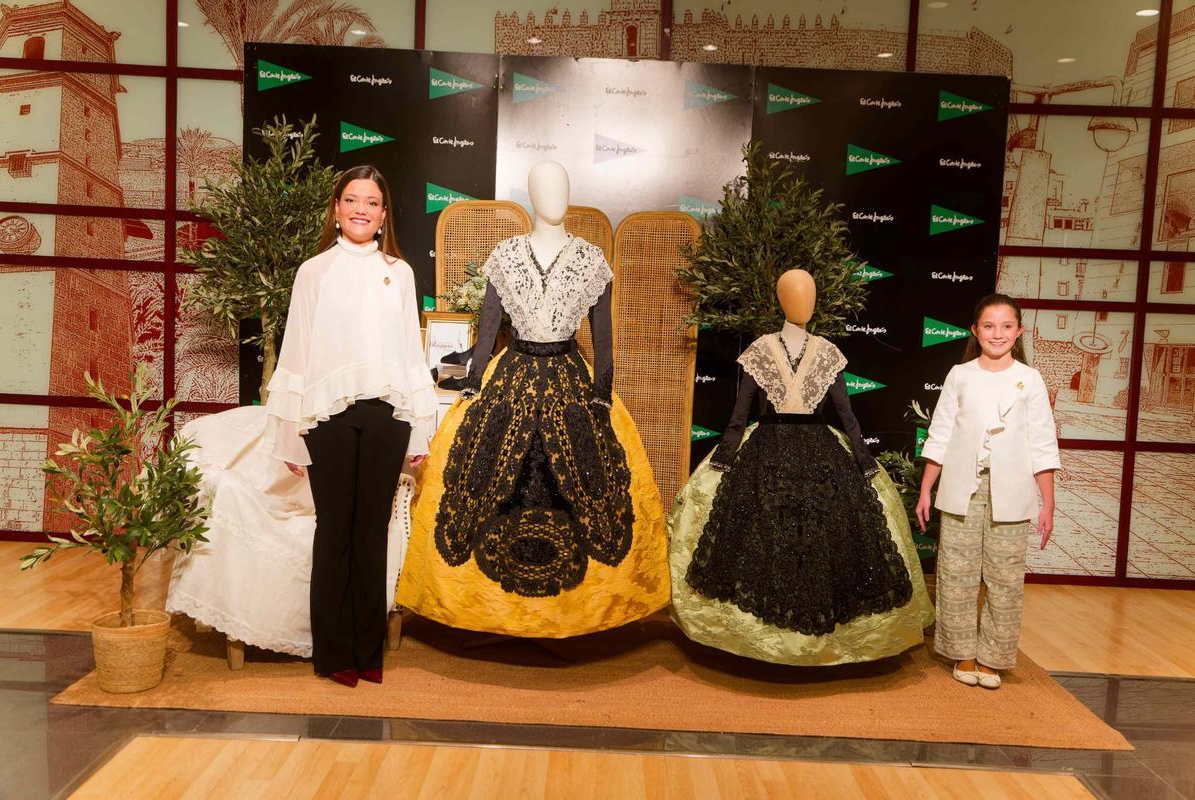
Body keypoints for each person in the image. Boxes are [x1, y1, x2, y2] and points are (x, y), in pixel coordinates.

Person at [396, 161, 670, 637]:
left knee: (589, 479)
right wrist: (474, 379)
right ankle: (489, 611)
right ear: (530, 194)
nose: (555, 196)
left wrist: (602, 394)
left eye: (562, 186)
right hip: (513, 374)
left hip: (571, 378)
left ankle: (576, 613)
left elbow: (603, 339)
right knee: (482, 478)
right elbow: (487, 330)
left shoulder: (589, 258)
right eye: (545, 187)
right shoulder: (506, 255)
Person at [668, 268, 933, 666]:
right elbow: (740, 411)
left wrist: (862, 459)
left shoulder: (827, 351)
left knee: (831, 535)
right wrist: (725, 455)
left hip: (817, 450)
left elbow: (845, 412)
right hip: (767, 450)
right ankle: (757, 639)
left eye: (809, 293)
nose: (803, 301)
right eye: (796, 294)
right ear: (782, 300)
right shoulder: (761, 348)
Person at [264, 165, 436, 687]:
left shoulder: (400, 273)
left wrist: (421, 430)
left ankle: (368, 653)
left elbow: (411, 352)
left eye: (372, 202)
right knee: (333, 530)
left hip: (386, 415)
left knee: (372, 532)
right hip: (328, 417)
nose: (361, 209)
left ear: (384, 215)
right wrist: (291, 431)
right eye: (352, 200)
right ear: (336, 209)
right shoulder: (313, 273)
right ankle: (333, 653)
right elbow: (295, 351)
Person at [917, 293, 1061, 690]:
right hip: (963, 488)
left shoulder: (1029, 380)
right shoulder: (960, 375)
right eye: (988, 326)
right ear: (975, 331)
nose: (997, 334)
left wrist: (1048, 502)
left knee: (1005, 579)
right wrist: (926, 489)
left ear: (1018, 332)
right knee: (956, 573)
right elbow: (941, 434)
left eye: (1006, 326)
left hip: (1012, 494)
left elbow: (1043, 443)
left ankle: (993, 658)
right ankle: (962, 652)